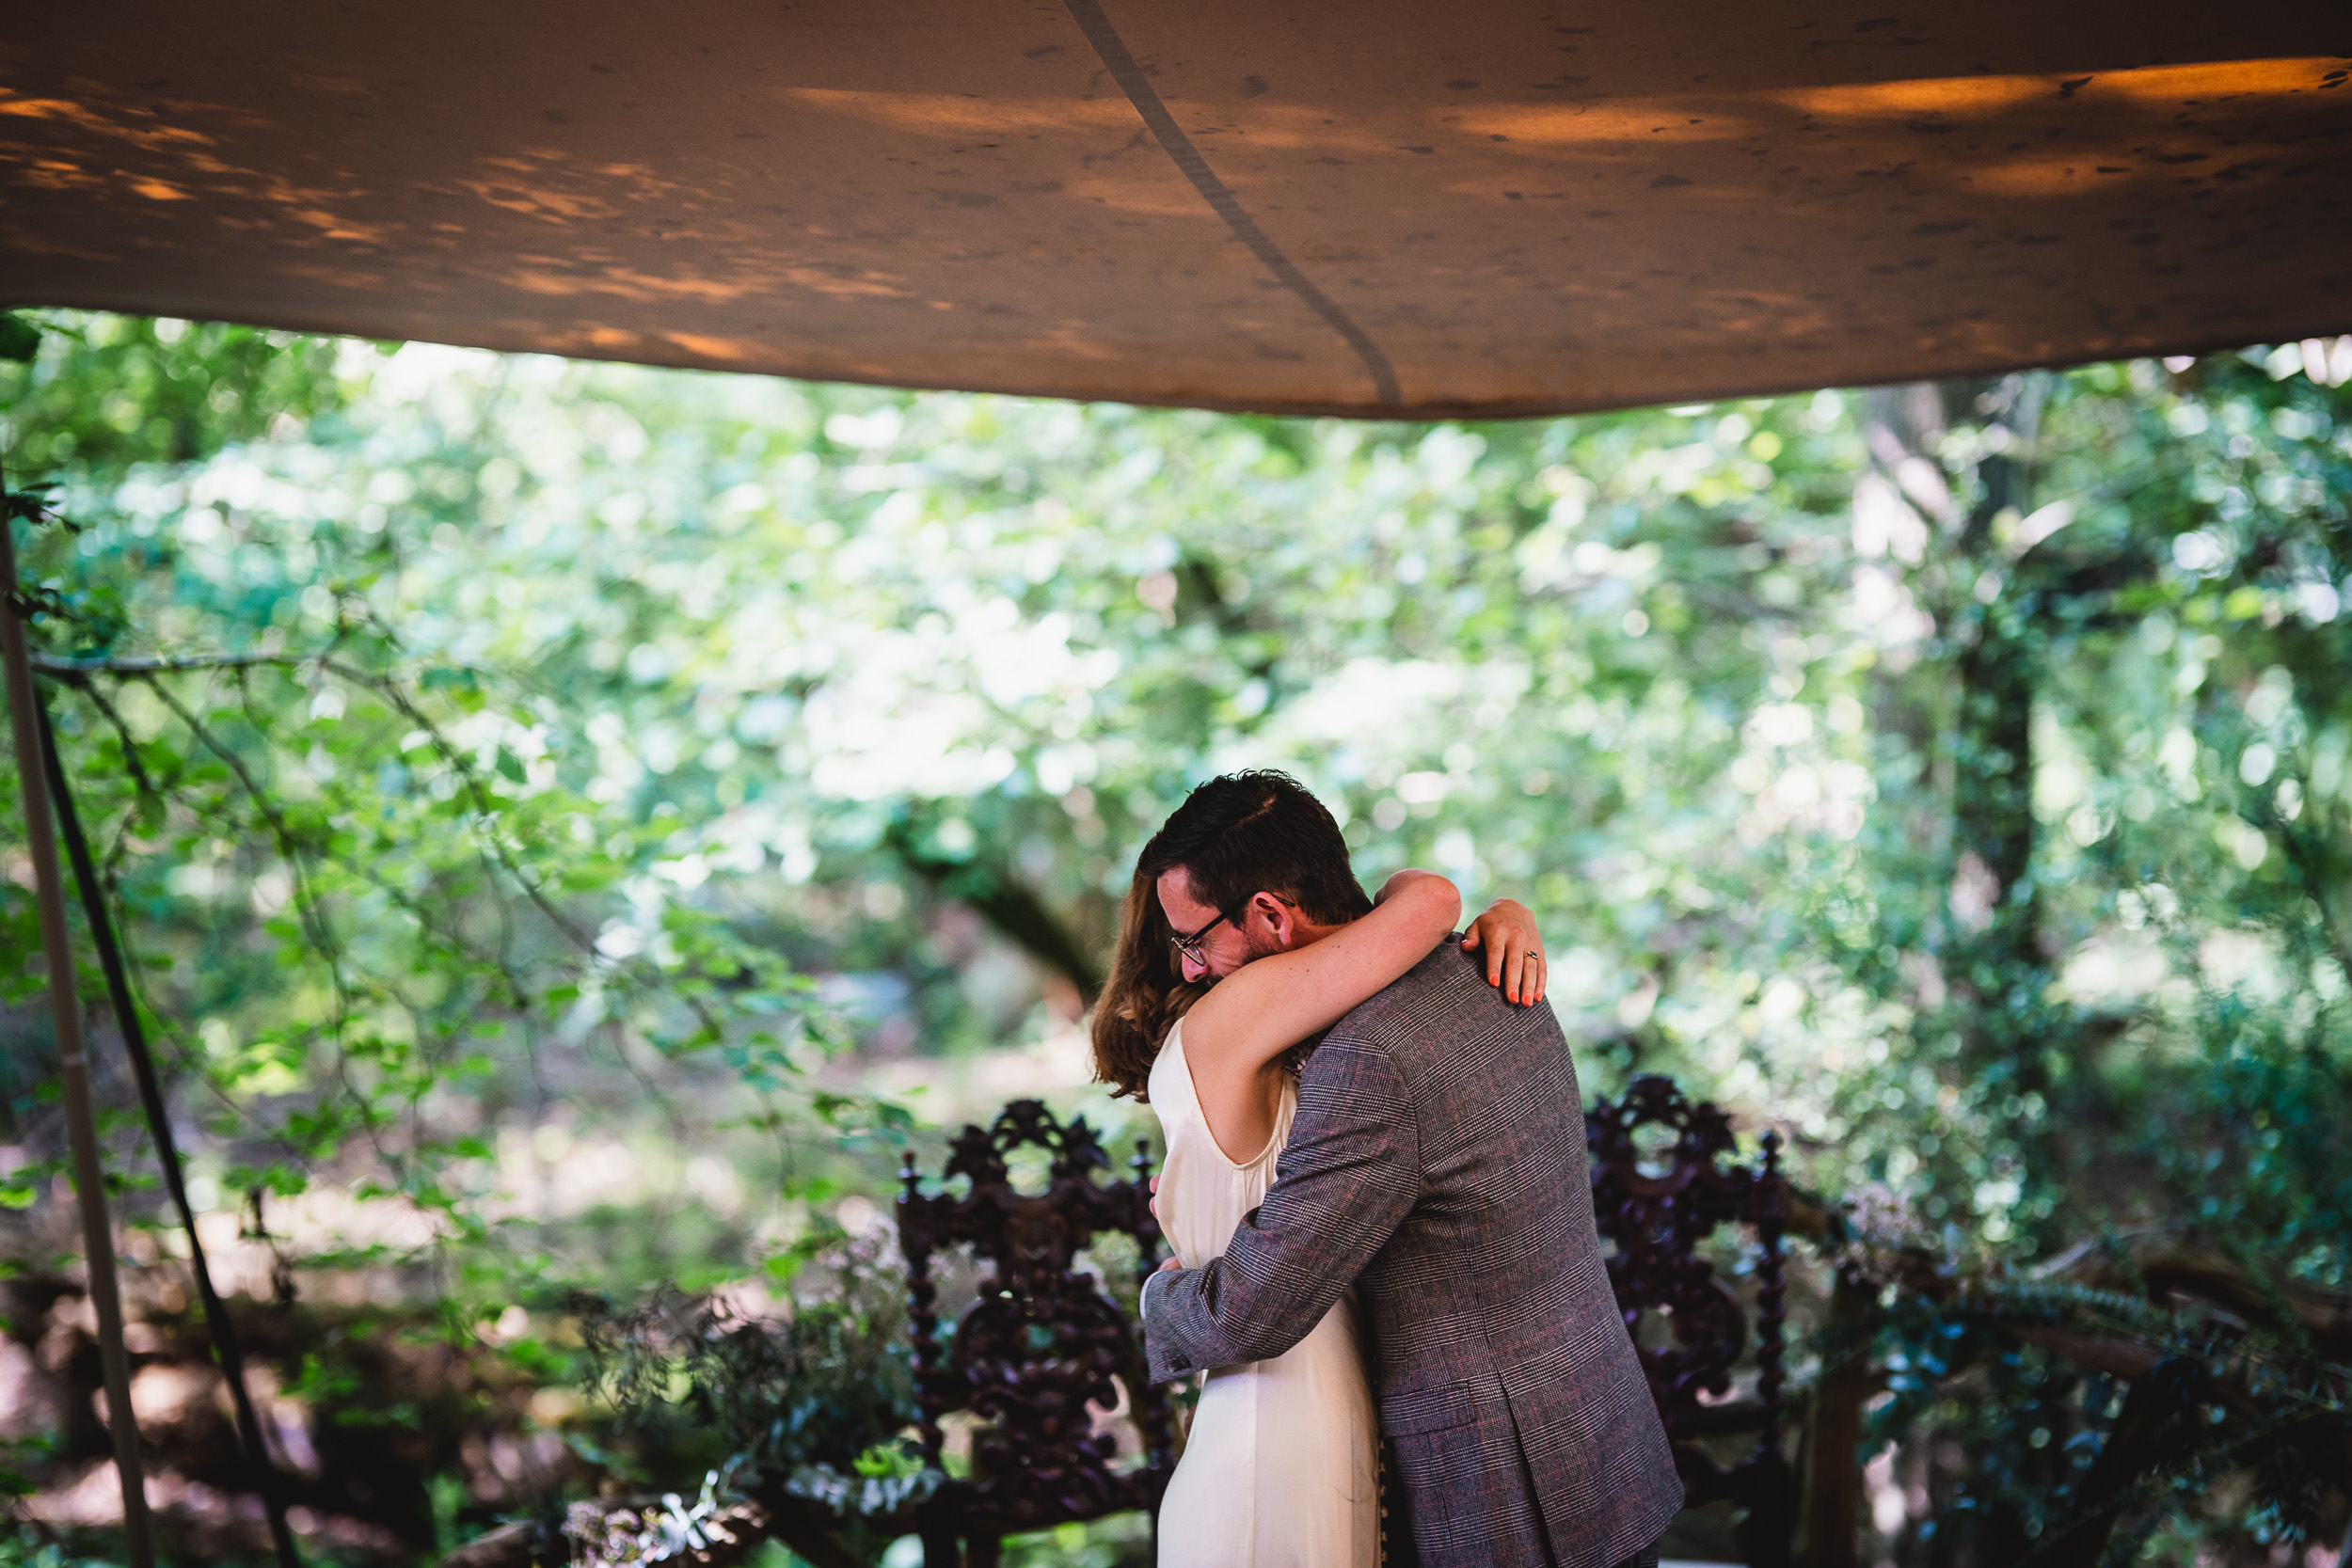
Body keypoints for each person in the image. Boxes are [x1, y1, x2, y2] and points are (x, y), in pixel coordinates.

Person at [1094, 770, 1680, 1568]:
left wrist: (1159, 1294)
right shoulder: (1488, 964)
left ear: (1268, 912)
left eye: (1195, 939)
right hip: (1601, 1443)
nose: (1192, 967)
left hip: (1504, 1495)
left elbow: (1252, 1311)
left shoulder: (1367, 1061)